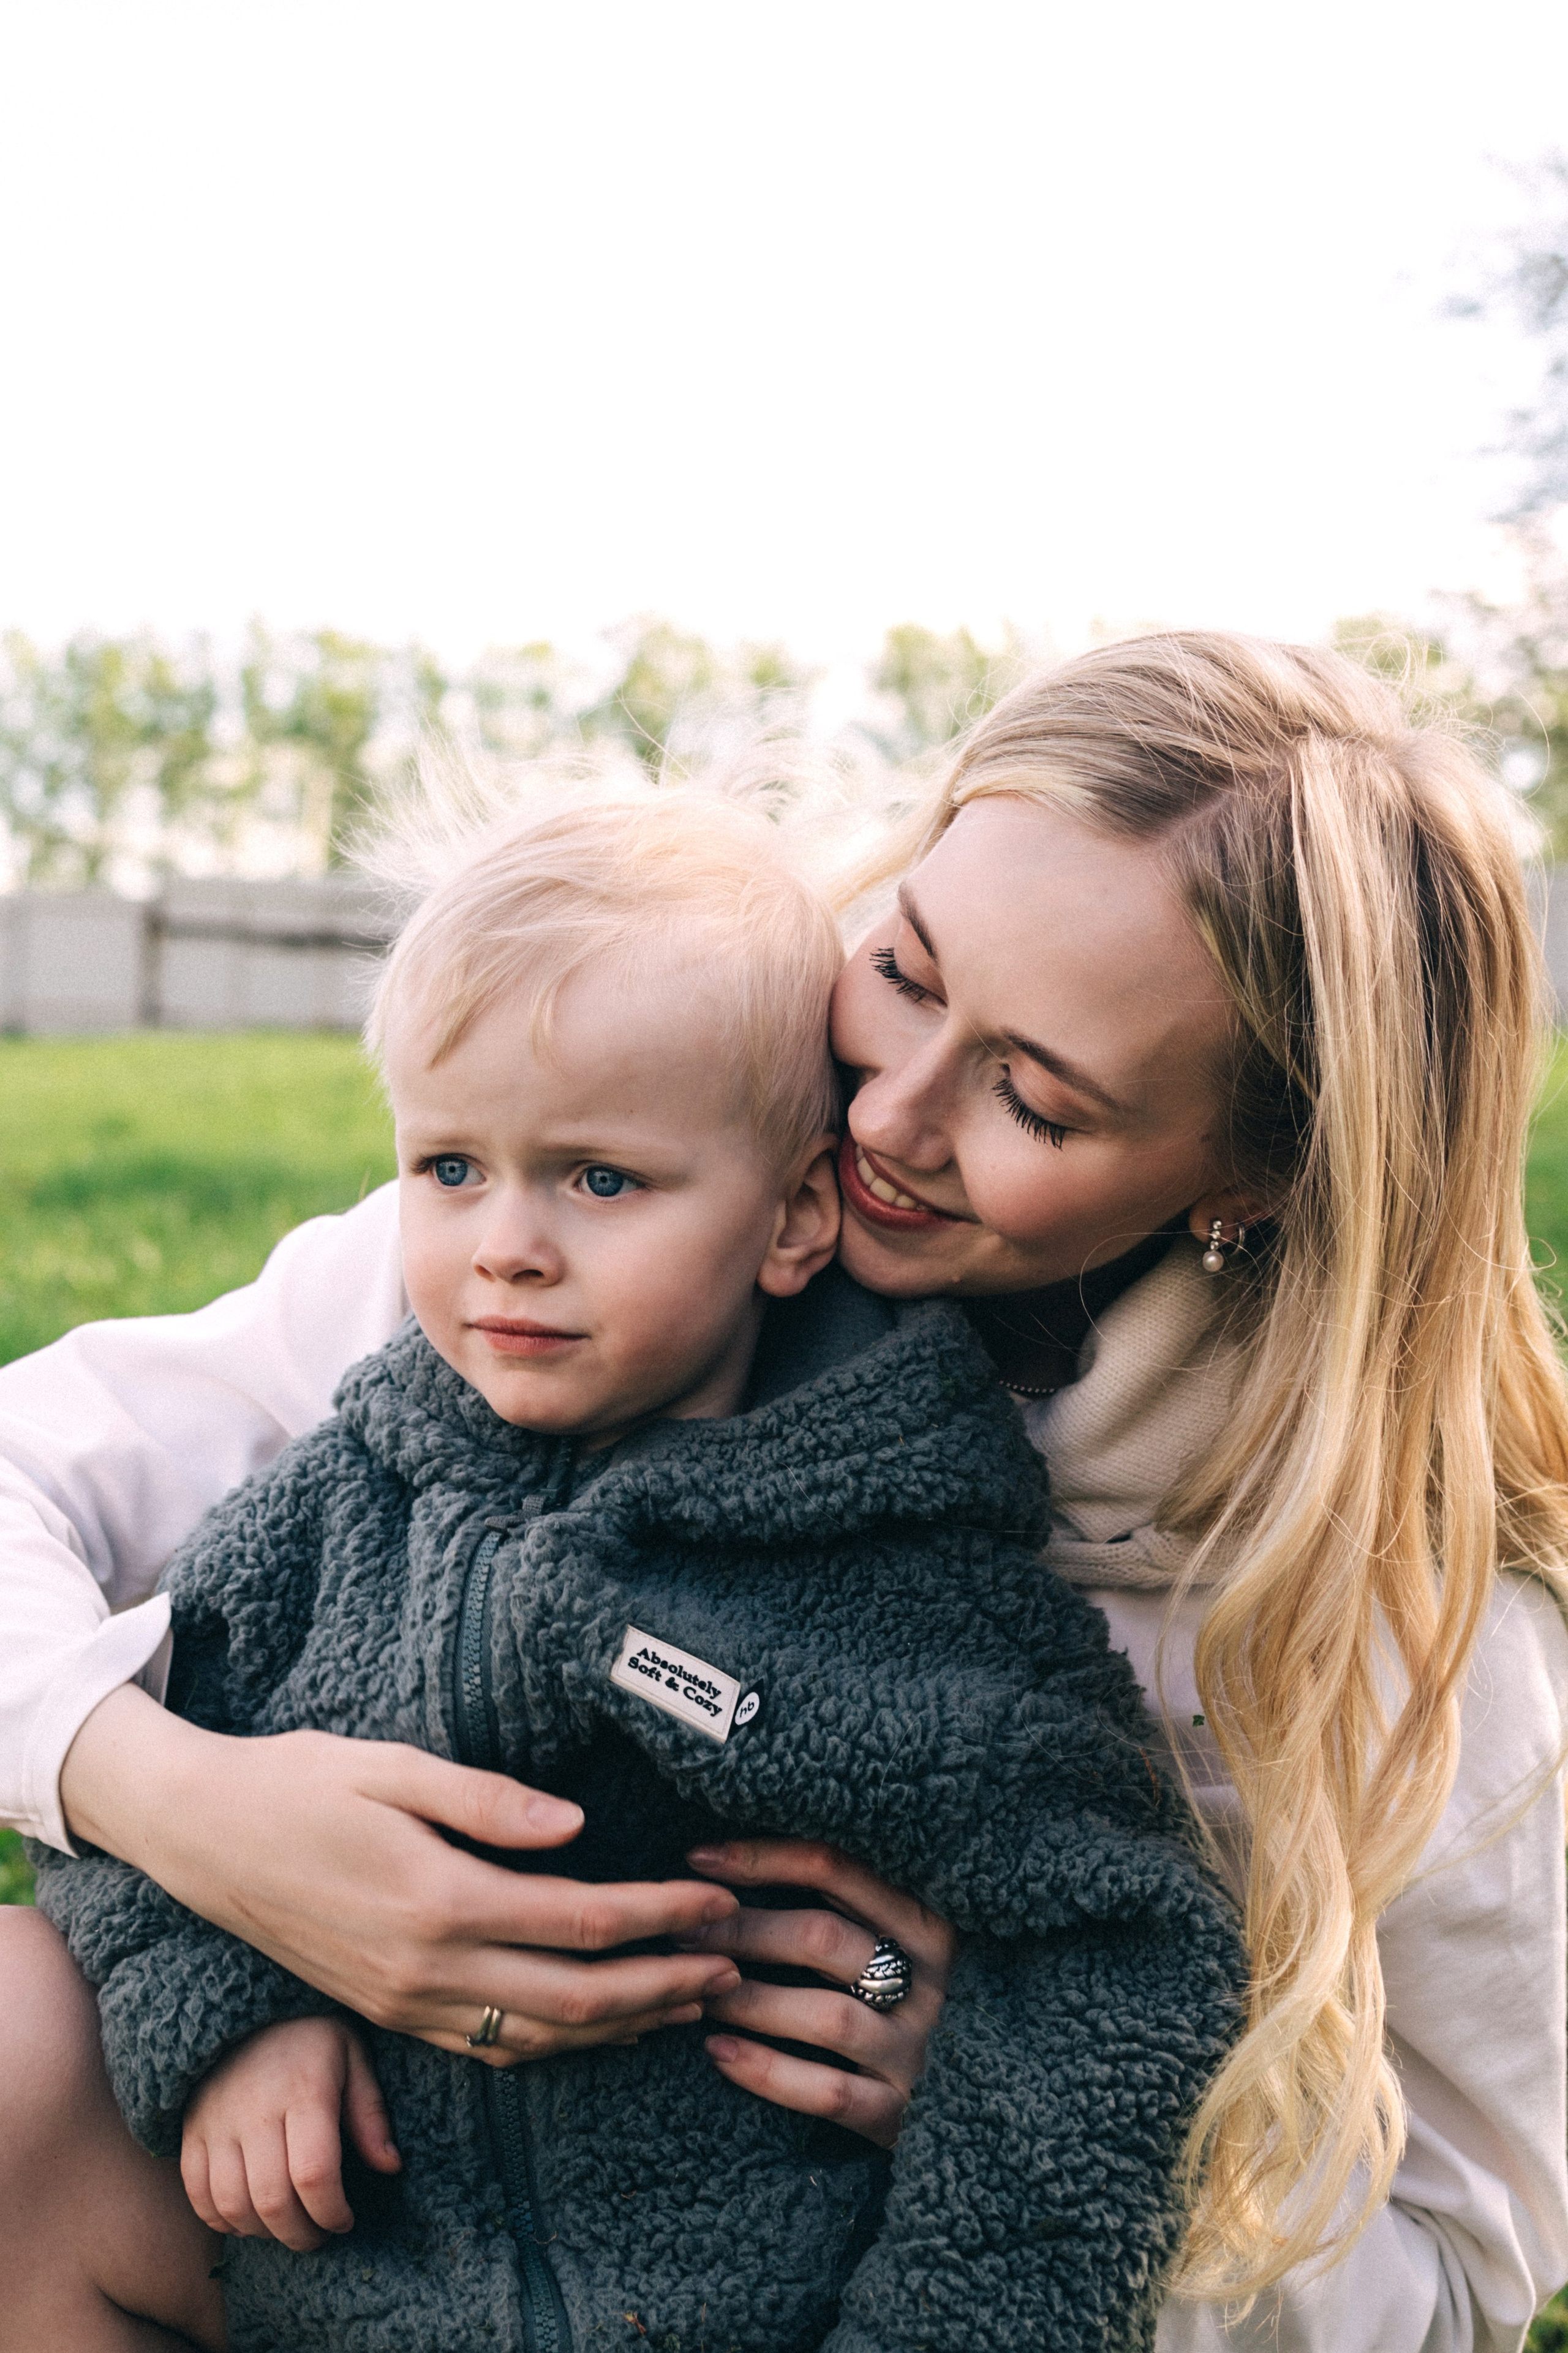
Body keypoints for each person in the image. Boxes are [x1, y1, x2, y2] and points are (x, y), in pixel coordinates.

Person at [1, 627, 1565, 2351]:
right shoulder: (580, 1243)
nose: (883, 1116)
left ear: (1250, 1177)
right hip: (393, 2234)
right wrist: (191, 1820)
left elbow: (1466, 2281)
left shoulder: (1391, 1605)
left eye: (1032, 1097)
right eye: (904, 968)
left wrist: (1017, 2107)